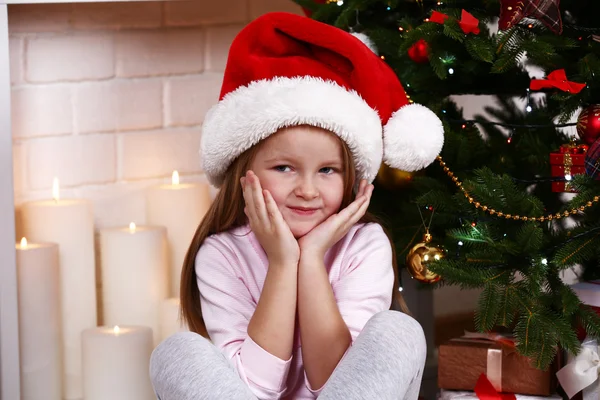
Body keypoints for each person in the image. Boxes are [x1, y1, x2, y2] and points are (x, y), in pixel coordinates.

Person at [149, 11, 444, 400]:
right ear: (244, 170)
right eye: (284, 167)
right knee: (175, 352)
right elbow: (254, 389)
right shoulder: (221, 254)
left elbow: (334, 382)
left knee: (400, 330)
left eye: (327, 170)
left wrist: (313, 256)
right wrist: (283, 262)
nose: (307, 190)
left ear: (352, 177)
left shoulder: (364, 245)